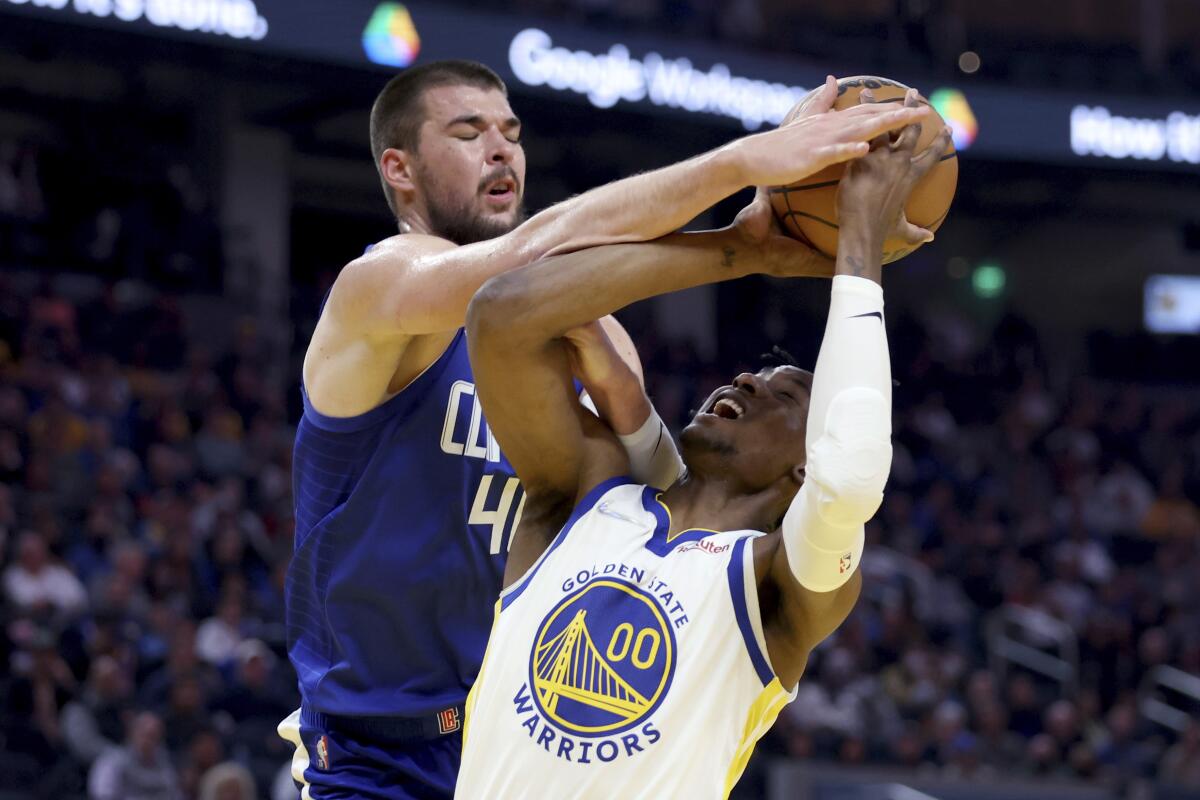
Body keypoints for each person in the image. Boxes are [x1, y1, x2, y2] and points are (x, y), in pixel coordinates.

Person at [279, 58, 928, 799]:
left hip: (510, 724)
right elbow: (507, 282)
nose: (502, 150)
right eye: (469, 132)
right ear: (399, 168)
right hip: (380, 750)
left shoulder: (597, 339)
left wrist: (749, 256)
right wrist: (742, 181)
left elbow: (661, 516)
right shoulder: (382, 286)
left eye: (512, 133)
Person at [457, 90, 950, 797]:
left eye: (785, 396)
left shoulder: (777, 583)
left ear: (803, 465)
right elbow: (500, 313)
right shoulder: (584, 496)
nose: (749, 378)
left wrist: (859, 240)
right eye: (757, 373)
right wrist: (737, 250)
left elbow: (848, 478)